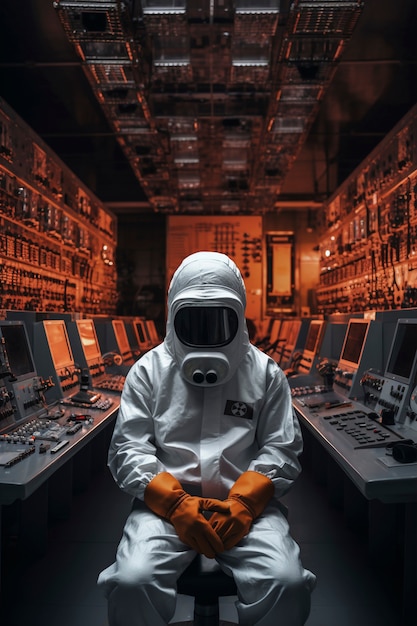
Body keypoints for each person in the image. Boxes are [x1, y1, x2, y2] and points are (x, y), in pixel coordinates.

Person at [97, 251, 316, 626]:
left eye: (218, 322)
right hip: (164, 512)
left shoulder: (264, 373)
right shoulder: (149, 372)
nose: (206, 335)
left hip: (247, 510)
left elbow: (282, 448)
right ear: (172, 316)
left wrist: (245, 502)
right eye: (193, 322)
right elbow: (129, 449)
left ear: (239, 316)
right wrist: (175, 503)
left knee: (287, 583)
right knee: (132, 581)